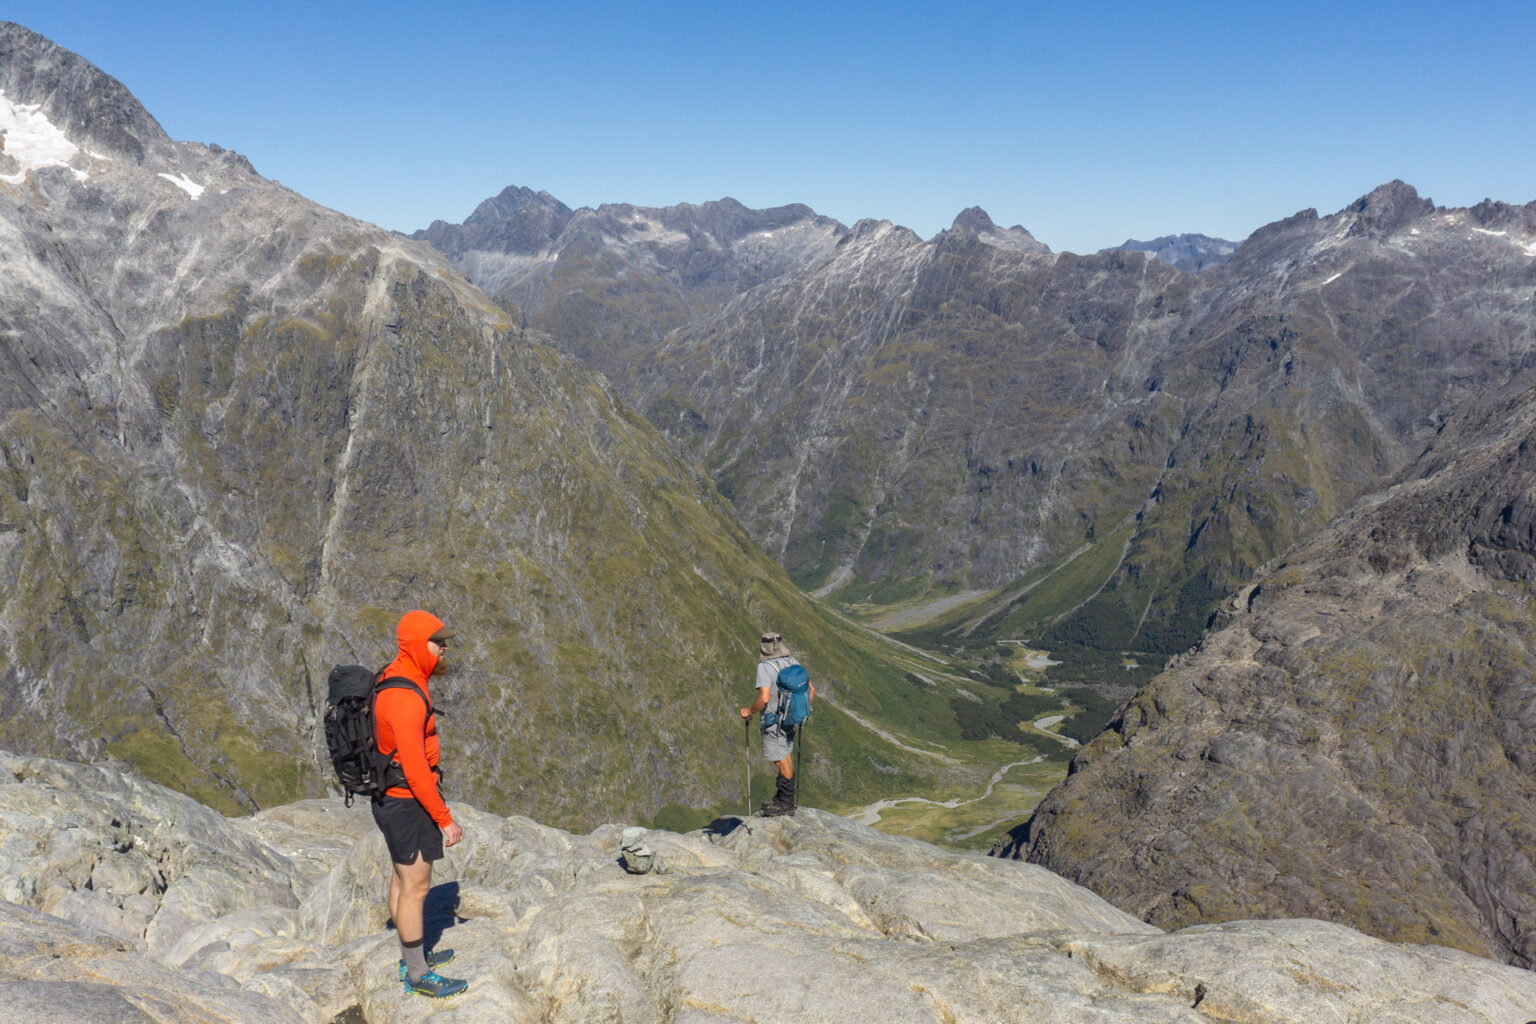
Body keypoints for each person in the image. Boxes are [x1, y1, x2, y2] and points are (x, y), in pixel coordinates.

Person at [372, 609, 468, 999]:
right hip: (407, 802)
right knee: (416, 887)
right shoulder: (407, 698)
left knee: (401, 878)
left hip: (390, 799)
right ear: (416, 644)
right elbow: (415, 770)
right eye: (437, 641)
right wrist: (445, 820)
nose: (444, 648)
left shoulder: (392, 675)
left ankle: (412, 956)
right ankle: (417, 975)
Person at [738, 631, 814, 816]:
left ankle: (786, 803)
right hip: (791, 719)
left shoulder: (765, 667)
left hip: (774, 721)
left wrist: (749, 711)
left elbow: (764, 699)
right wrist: (802, 710)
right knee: (785, 754)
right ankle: (782, 798)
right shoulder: (792, 661)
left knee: (780, 760)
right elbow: (811, 689)